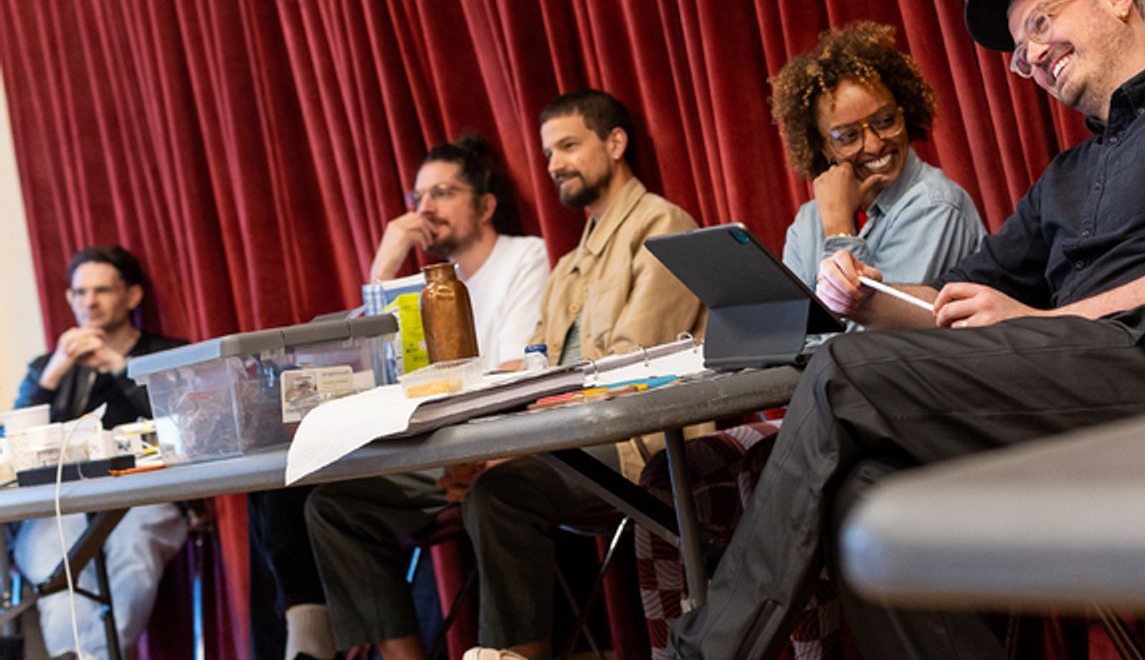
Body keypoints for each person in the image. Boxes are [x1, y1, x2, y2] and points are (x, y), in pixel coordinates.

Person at [669, 0, 1145, 659]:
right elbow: (952, 303)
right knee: (868, 498)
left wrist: (1052, 322)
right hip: (1083, 390)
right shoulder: (1067, 175)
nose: (1033, 54)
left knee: (842, 372)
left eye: (1042, 24)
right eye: (1021, 52)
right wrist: (864, 298)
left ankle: (705, 654)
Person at [307, 89, 704, 660]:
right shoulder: (570, 262)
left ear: (615, 143)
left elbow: (627, 369)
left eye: (568, 146)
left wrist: (509, 450)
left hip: (634, 447)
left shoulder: (664, 224)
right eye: (547, 154)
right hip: (558, 439)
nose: (555, 164)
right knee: (334, 503)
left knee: (501, 492)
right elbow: (536, 367)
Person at [248, 134, 550, 660]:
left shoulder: (524, 257)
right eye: (417, 198)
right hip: (432, 451)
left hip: (497, 443)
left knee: (495, 494)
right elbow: (378, 370)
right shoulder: (418, 284)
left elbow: (517, 367)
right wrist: (383, 271)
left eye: (442, 193)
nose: (425, 209)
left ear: (485, 204)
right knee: (330, 504)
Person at [11, 246, 187, 660]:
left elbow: (187, 425)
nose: (89, 301)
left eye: (102, 290)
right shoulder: (46, 367)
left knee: (132, 551)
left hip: (144, 495)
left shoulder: (167, 354)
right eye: (80, 292)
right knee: (62, 564)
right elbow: (15, 442)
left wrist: (118, 366)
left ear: (132, 296)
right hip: (62, 503)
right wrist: (53, 372)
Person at [771, 20, 985, 290]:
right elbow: (792, 325)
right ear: (824, 147)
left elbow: (873, 327)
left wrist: (839, 231)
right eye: (848, 136)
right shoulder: (808, 220)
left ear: (904, 112)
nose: (874, 145)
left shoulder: (937, 205)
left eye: (885, 121)